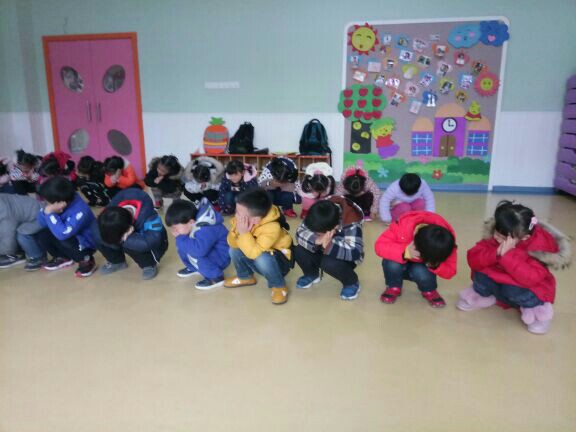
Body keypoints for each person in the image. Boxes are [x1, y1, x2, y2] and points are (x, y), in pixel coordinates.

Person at [457, 201, 571, 334]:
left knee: (512, 289)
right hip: (501, 283)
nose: (497, 238)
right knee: (480, 274)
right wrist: (495, 253)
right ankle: (483, 296)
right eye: (496, 233)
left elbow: (530, 278)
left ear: (525, 237)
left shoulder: (539, 248)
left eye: (503, 237)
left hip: (525, 288)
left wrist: (507, 256)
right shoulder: (496, 236)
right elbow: (473, 260)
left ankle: (536, 309)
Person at [224, 188, 293, 305]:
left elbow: (255, 253)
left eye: (239, 213)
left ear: (255, 219)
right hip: (256, 254)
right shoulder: (242, 220)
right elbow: (232, 243)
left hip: (278, 264)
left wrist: (244, 233)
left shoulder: (272, 228)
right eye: (236, 211)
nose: (236, 215)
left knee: (262, 257)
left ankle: (278, 286)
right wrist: (238, 232)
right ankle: (245, 277)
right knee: (233, 250)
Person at [375, 211, 457, 308]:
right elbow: (379, 246)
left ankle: (429, 290)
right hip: (399, 264)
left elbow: (451, 271)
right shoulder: (403, 226)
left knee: (421, 271)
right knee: (392, 263)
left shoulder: (446, 243)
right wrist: (405, 252)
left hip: (421, 268)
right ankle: (393, 286)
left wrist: (436, 265)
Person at [295, 197, 364, 300]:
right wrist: (317, 239)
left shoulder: (351, 221)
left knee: (328, 263)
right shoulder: (316, 213)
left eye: (318, 232)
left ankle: (351, 282)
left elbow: (355, 252)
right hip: (321, 249)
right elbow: (299, 233)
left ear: (334, 227)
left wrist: (329, 245)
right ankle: (312, 274)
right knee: (299, 250)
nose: (315, 233)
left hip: (345, 257)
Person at [94, 187, 168, 280]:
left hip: (154, 244)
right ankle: (117, 261)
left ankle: (148, 265)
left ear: (128, 228)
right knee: (100, 234)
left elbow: (151, 242)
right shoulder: (111, 212)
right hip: (123, 231)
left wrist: (128, 237)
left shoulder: (151, 218)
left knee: (133, 244)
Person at [36, 177, 97, 277]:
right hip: (67, 234)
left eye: (49, 201)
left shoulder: (81, 210)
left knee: (65, 238)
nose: (48, 204)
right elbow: (42, 223)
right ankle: (63, 257)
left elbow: (63, 234)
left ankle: (86, 259)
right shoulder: (57, 204)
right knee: (43, 235)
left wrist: (50, 213)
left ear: (60, 201)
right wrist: (47, 212)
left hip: (86, 242)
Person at [166, 199, 230, 289]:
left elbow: (199, 251)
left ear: (191, 222)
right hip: (211, 250)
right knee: (183, 246)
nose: (174, 230)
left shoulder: (206, 228)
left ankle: (216, 277)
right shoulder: (194, 224)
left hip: (222, 257)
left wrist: (181, 238)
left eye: (176, 227)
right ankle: (194, 267)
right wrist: (181, 239)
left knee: (193, 250)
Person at [0, 194, 44, 270]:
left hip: (41, 216)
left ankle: (37, 257)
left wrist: (4, 252)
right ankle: (18, 253)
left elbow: (7, 233)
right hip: (28, 217)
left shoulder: (4, 209)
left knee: (21, 233)